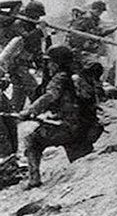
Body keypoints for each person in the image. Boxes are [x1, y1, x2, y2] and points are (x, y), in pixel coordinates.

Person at [19, 45, 101, 188]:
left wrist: (30, 111)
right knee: (79, 158)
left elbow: (50, 96)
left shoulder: (60, 77)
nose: (48, 65)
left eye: (50, 62)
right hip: (87, 126)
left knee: (31, 140)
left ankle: (34, 180)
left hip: (68, 127)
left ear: (57, 62)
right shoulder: (79, 75)